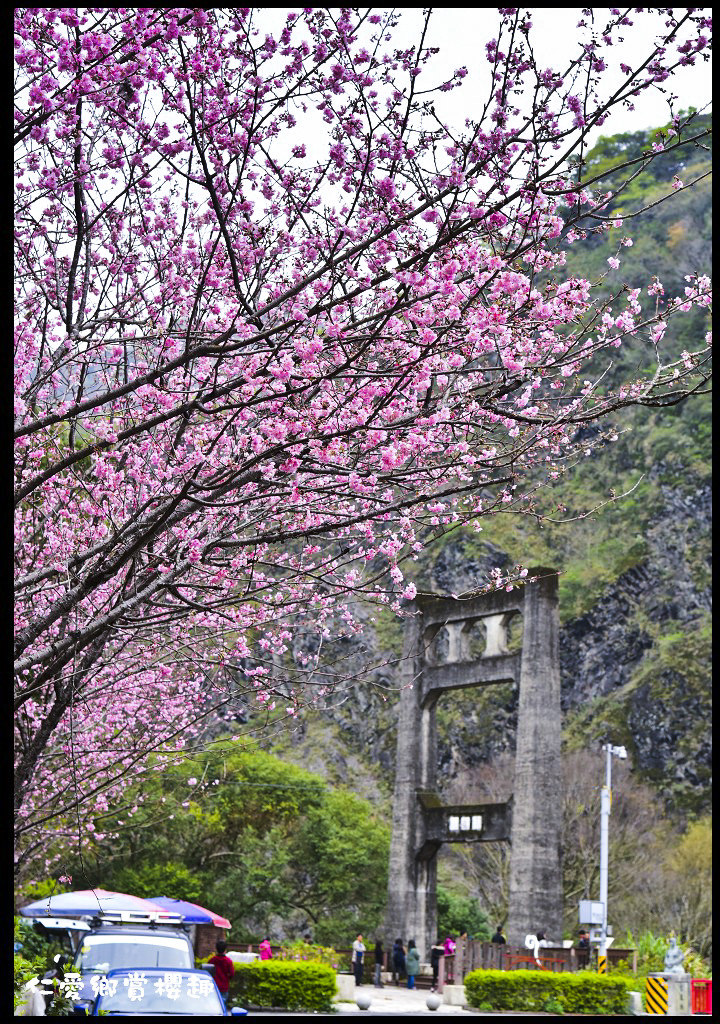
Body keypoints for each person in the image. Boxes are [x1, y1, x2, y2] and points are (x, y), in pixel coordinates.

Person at [208, 940, 235, 1008]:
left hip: (213, 986)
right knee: (222, 1006)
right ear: (225, 949)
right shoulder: (228, 961)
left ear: (216, 949)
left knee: (213, 1005)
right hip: (224, 986)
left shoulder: (212, 960)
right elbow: (231, 974)